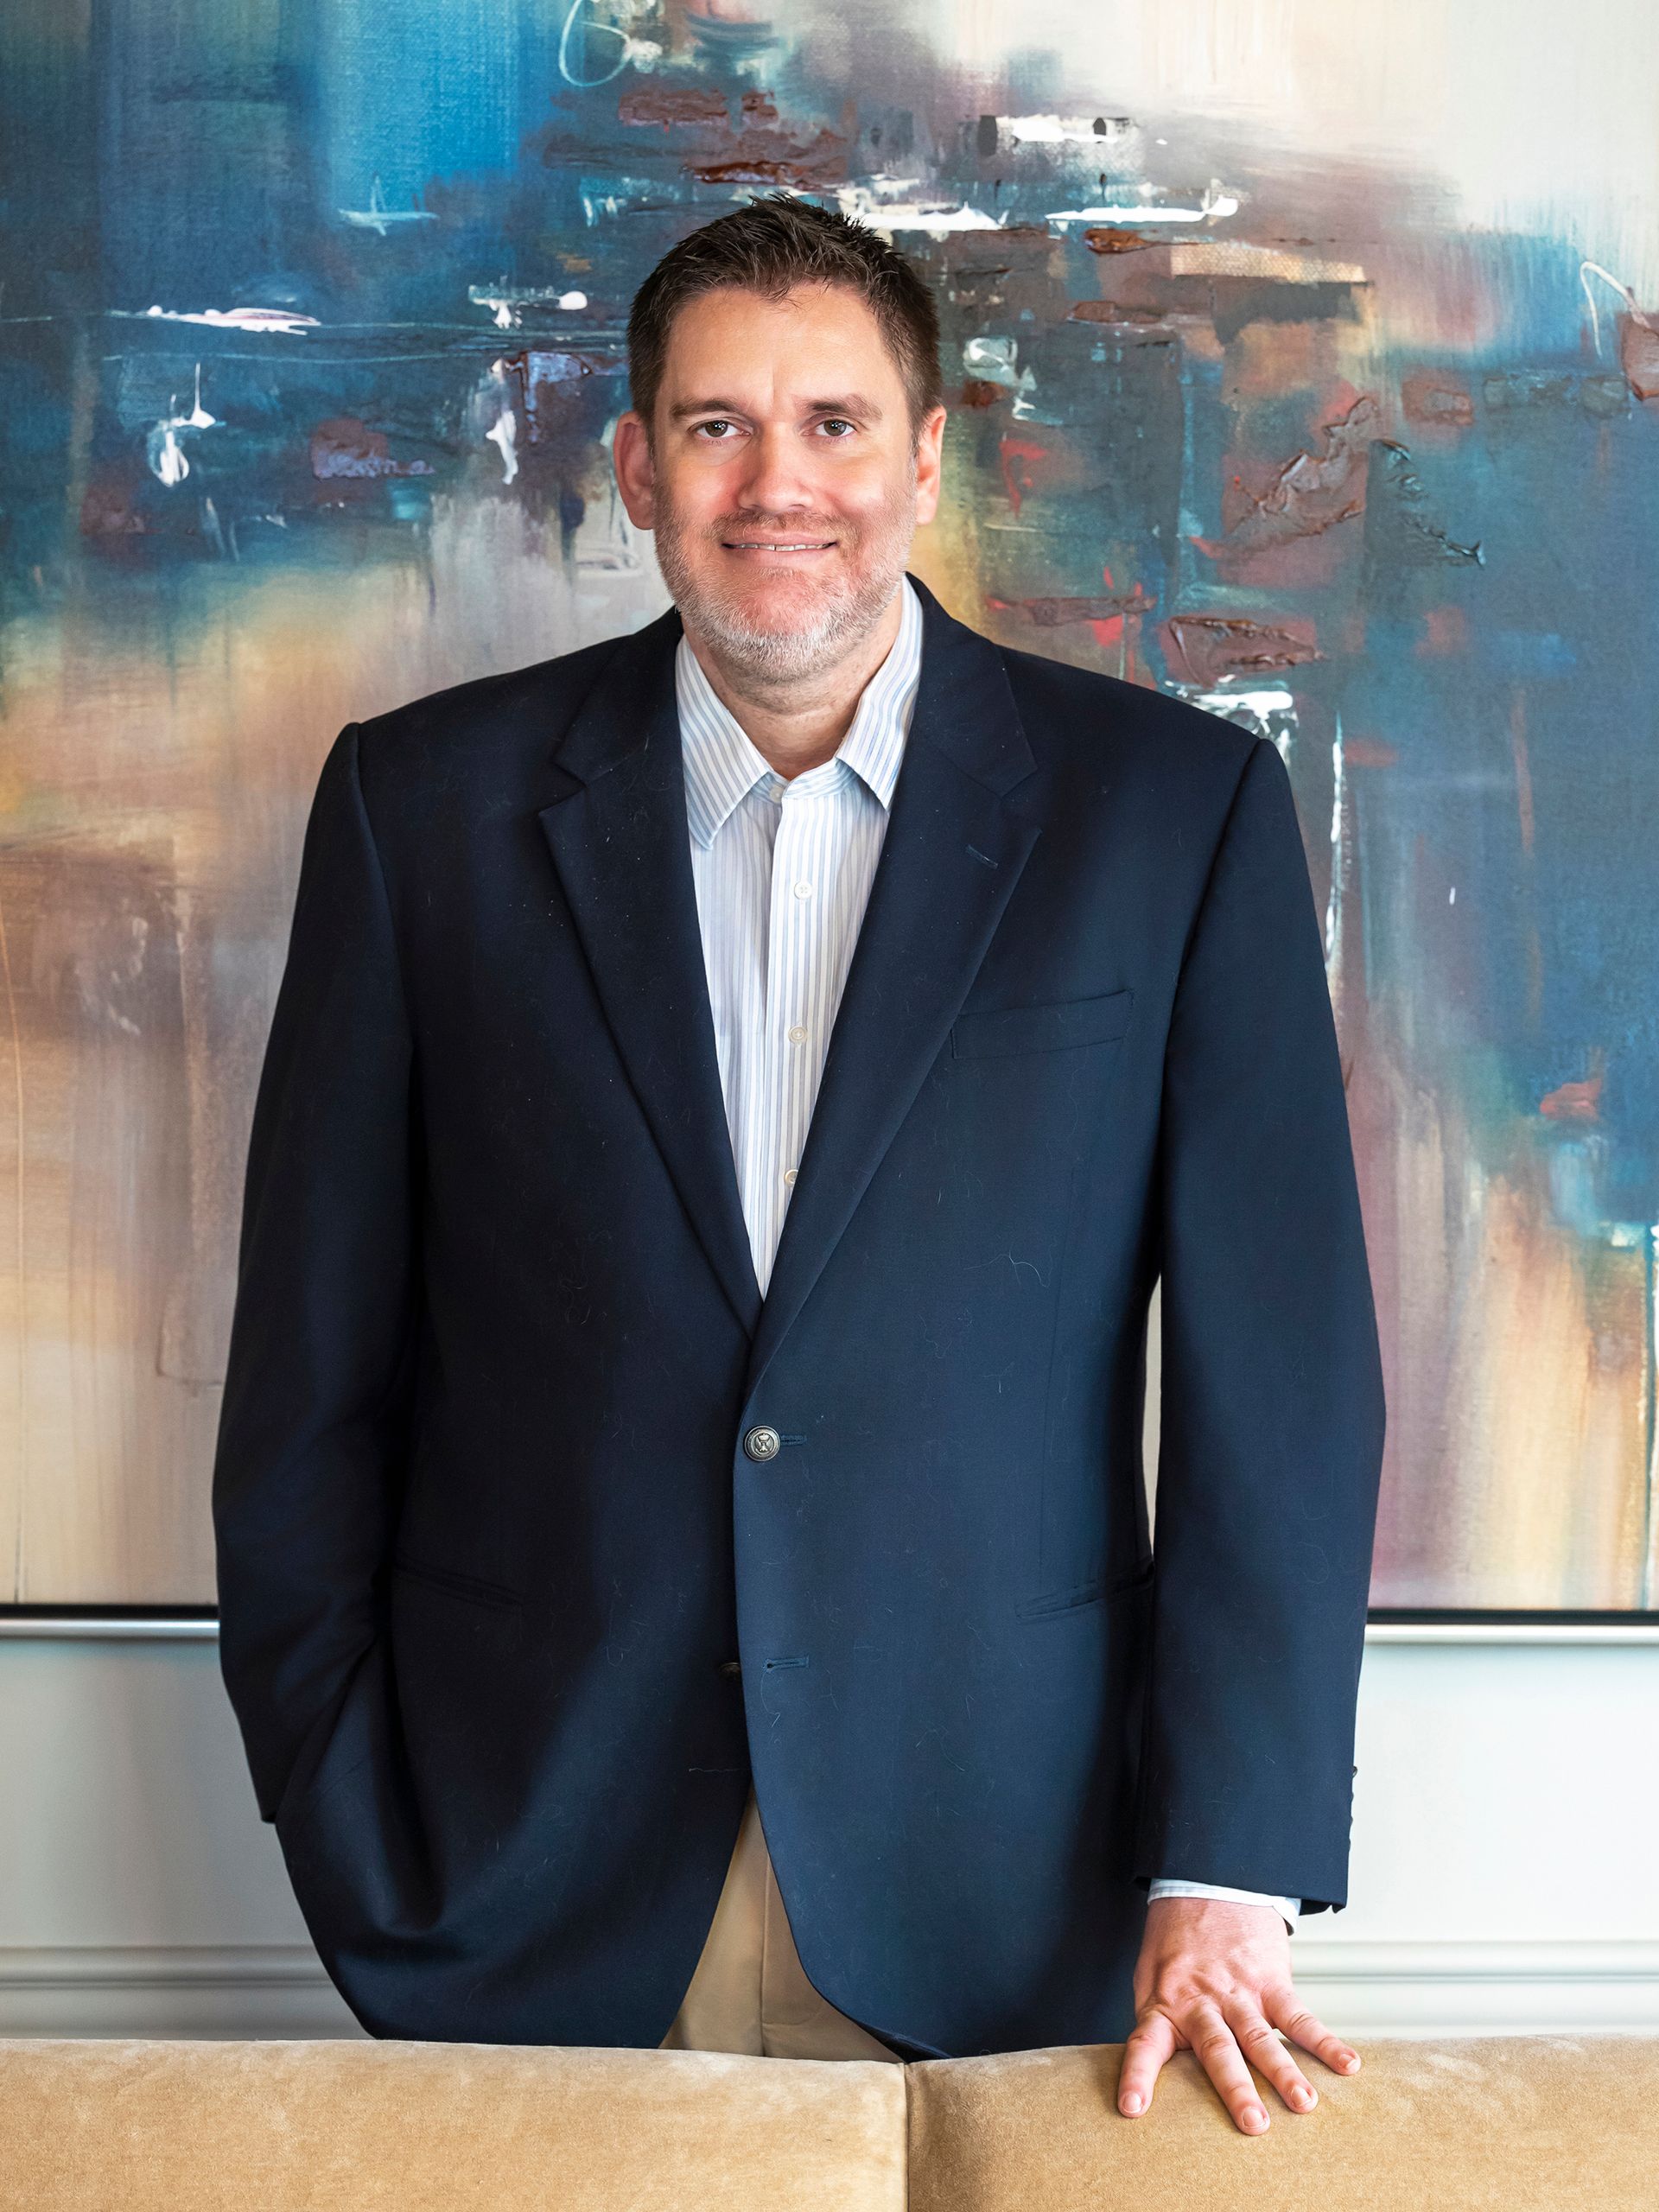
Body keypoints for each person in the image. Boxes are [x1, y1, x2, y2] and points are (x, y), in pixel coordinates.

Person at [212, 192, 1384, 2136]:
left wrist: (1226, 1862)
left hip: (1020, 1907)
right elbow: (308, 1384)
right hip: (526, 1903)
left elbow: (1288, 1382)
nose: (780, 483)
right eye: (714, 425)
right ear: (636, 469)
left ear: (929, 458)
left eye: (834, 421)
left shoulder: (1172, 819)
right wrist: (350, 1817)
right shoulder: (417, 813)